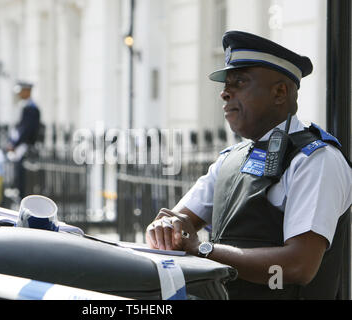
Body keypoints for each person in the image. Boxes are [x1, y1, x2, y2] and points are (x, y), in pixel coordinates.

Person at [145, 30, 352, 300]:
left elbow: (299, 266)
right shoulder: (230, 159)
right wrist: (164, 229)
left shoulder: (315, 160)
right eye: (225, 84)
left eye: (239, 82)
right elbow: (178, 225)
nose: (224, 93)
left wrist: (204, 250)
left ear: (280, 92)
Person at [7, 81, 41, 199]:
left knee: (23, 176)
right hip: (20, 145)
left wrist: (14, 144)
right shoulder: (24, 106)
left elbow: (25, 129)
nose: (19, 94)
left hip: (24, 146)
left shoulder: (31, 108)